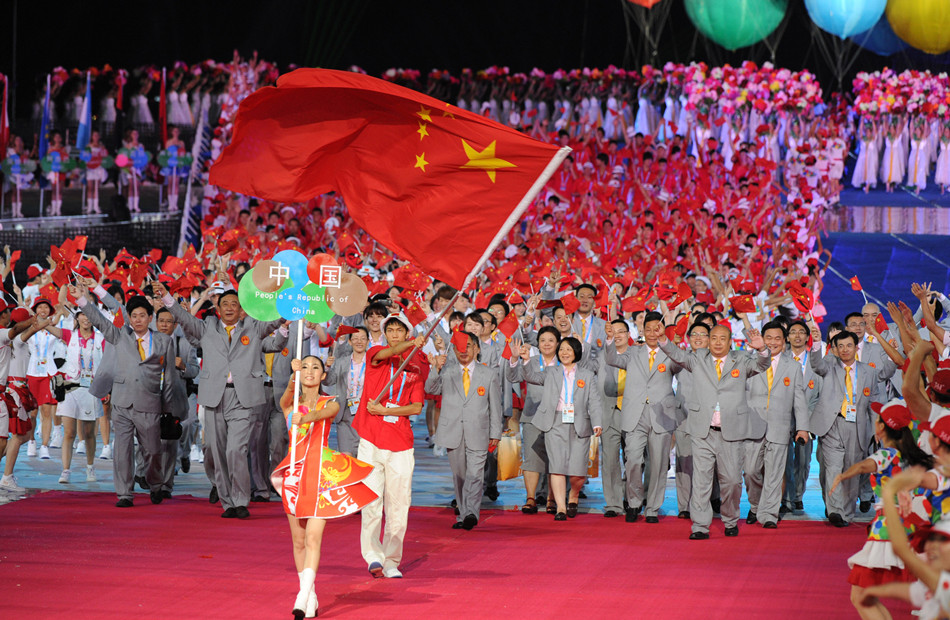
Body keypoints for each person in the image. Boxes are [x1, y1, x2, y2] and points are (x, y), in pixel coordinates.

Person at [153, 281, 286, 518]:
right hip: (214, 395)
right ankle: (227, 502)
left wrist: (288, 309)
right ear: (218, 308)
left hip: (243, 396)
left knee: (236, 449)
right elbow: (183, 319)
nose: (229, 308)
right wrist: (167, 298)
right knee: (218, 451)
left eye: (234, 304)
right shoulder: (207, 328)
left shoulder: (252, 327)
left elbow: (274, 324)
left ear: (241, 309)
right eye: (225, 304)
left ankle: (241, 500)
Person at [272, 356, 376, 620]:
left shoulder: (330, 401)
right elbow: (284, 400)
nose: (309, 371)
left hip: (321, 476)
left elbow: (326, 413)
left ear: (323, 375)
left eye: (315, 367)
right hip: (293, 476)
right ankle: (312, 594)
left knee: (313, 538)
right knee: (298, 541)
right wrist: (292, 377)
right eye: (304, 366)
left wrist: (307, 417)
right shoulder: (289, 405)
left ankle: (301, 597)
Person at [659, 324, 770, 539]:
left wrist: (762, 348)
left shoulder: (741, 361)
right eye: (714, 338)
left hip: (731, 432)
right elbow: (677, 354)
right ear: (709, 341)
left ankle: (730, 519)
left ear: (730, 342)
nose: (718, 342)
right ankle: (700, 526)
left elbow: (762, 365)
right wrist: (664, 339)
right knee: (701, 480)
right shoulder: (698, 358)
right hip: (703, 430)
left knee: (731, 481)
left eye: (723, 338)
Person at [71, 282, 176, 507]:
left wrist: (168, 407)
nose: (137, 319)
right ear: (128, 318)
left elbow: (169, 378)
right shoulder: (119, 336)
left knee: (153, 452)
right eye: (133, 315)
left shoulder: (164, 341)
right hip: (122, 402)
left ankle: (156, 483)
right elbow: (99, 321)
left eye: (142, 315)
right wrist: (82, 300)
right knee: (122, 450)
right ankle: (125, 493)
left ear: (150, 318)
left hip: (150, 404)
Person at [830, 400, 932, 619]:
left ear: (882, 427)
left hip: (886, 532)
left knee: (860, 597)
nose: (874, 421)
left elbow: (865, 465)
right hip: (905, 528)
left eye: (877, 419)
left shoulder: (887, 455)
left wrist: (844, 475)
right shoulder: (911, 456)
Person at [353, 312, 425, 579]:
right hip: (371, 439)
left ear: (407, 332)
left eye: (400, 330)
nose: (395, 334)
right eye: (391, 330)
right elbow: (388, 353)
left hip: (400, 443)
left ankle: (392, 560)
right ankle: (373, 556)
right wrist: (410, 344)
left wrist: (384, 409)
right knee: (371, 501)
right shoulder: (377, 352)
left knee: (398, 503)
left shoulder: (416, 367)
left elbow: (417, 406)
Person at [808, 322, 896, 527]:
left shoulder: (869, 372)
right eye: (841, 346)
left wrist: (876, 427)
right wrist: (814, 346)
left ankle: (846, 512)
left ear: (857, 347)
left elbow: (873, 402)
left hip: (857, 426)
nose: (845, 349)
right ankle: (835, 511)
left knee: (852, 469)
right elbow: (816, 365)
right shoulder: (829, 364)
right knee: (833, 468)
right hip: (832, 424)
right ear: (835, 349)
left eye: (849, 345)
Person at [604, 311, 683, 523]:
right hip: (634, 414)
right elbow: (611, 358)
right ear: (642, 330)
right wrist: (610, 338)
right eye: (647, 329)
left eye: (656, 329)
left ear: (662, 330)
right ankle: (634, 501)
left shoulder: (670, 353)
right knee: (633, 460)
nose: (651, 333)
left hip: (661, 414)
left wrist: (668, 343)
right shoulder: (632, 352)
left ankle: (652, 508)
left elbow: (682, 363)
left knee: (658, 464)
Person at [425, 331, 502, 530]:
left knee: (475, 474)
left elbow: (495, 406)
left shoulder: (489, 373)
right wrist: (435, 368)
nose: (464, 350)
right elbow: (431, 389)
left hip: (479, 432)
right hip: (453, 431)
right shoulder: (448, 371)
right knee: (460, 476)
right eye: (460, 346)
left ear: (477, 348)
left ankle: (470, 513)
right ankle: (462, 513)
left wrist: (495, 433)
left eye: (468, 345)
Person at [520, 336, 602, 521]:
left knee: (577, 470)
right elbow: (531, 377)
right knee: (556, 466)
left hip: (580, 422)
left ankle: (573, 494)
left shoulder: (587, 375)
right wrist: (525, 361)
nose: (564, 353)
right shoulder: (551, 372)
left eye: (569, 350)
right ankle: (561, 508)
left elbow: (595, 401)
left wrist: (597, 423)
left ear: (576, 353)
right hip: (554, 422)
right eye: (562, 349)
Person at [742, 320, 810, 529]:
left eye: (777, 338)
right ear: (762, 339)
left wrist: (803, 428)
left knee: (774, 473)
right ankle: (755, 506)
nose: (773, 342)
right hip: (752, 425)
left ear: (785, 341)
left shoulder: (793, 366)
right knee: (751, 471)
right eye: (768, 338)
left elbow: (799, 399)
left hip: (780, 427)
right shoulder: (749, 361)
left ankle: (769, 513)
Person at [324, 326, 369, 457]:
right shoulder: (341, 362)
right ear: (350, 342)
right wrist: (327, 367)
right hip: (345, 413)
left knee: (363, 457)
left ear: (367, 341)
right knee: (346, 457)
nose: (359, 341)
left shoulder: (373, 362)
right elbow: (328, 381)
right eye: (355, 338)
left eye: (363, 338)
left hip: (366, 413)